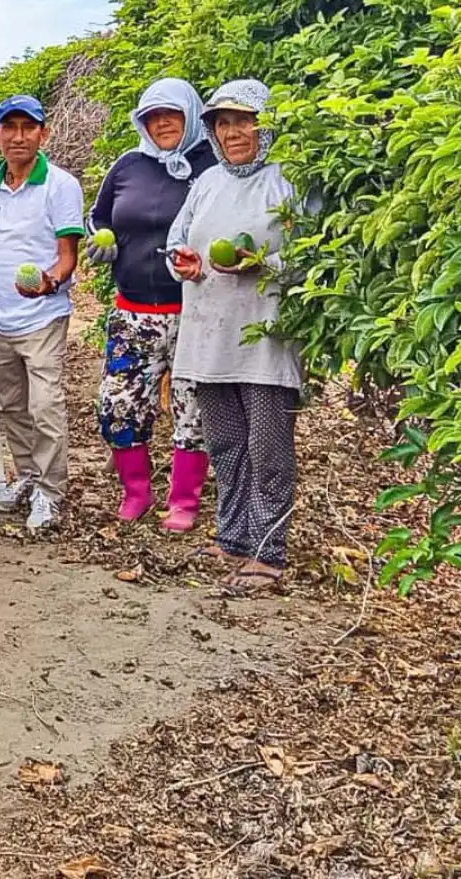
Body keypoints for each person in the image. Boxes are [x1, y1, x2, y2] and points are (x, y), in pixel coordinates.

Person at [166, 78, 302, 594]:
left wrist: (263, 264)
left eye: (243, 121)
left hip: (265, 340)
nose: (233, 132)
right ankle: (233, 536)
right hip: (208, 336)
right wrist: (185, 261)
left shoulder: (287, 183)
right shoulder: (207, 183)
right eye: (223, 123)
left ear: (264, 125)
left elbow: (313, 258)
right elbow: (179, 239)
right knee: (224, 442)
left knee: (268, 447)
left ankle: (269, 550)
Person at [86, 77, 218, 531]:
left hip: (194, 310)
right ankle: (136, 492)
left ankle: (184, 501)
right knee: (119, 401)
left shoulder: (213, 166)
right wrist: (100, 242)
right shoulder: (128, 166)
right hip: (133, 313)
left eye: (172, 114)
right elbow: (99, 216)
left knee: (193, 404)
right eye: (152, 116)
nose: (161, 123)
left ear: (191, 117)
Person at [0, 95, 86, 532]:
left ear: (43, 133)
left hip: (41, 316)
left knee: (46, 405)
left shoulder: (60, 185)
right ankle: (27, 477)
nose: (19, 136)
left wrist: (49, 281)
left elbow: (67, 256)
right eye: (9, 127)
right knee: (12, 405)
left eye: (28, 128)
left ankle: (51, 493)